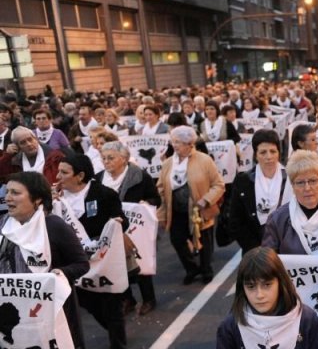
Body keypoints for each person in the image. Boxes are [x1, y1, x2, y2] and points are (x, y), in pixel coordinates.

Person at [1, 171, 90, 347]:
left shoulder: (54, 226)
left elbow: (82, 264)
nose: (8, 198)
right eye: (8, 192)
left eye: (16, 193)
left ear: (37, 199)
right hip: (10, 313)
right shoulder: (3, 224)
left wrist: (61, 273)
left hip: (49, 314)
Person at [55, 154, 129, 349]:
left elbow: (121, 220)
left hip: (103, 261)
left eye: (64, 172)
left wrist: (118, 222)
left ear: (80, 176)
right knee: (89, 303)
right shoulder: (57, 198)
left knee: (112, 307)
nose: (58, 176)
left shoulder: (104, 193)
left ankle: (118, 343)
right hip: (77, 264)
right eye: (58, 171)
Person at [96, 141, 161, 316]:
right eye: (103, 158)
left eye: (111, 158)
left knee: (140, 264)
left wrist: (146, 204)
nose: (106, 161)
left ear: (124, 159)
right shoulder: (99, 178)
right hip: (112, 230)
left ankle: (148, 299)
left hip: (136, 230)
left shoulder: (139, 176)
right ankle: (128, 300)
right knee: (117, 266)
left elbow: (156, 199)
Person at [216, 247, 318, 348]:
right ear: (242, 288)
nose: (259, 295)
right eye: (251, 286)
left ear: (280, 282)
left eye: (267, 285)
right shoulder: (230, 326)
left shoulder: (307, 320)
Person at [157, 126, 225, 285]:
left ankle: (206, 270)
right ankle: (191, 269)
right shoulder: (168, 163)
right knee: (177, 240)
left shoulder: (204, 160)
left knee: (204, 243)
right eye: (173, 141)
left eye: (178, 142)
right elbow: (160, 189)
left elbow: (219, 185)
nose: (174, 145)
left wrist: (206, 199)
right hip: (176, 211)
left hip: (199, 211)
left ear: (189, 144)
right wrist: (161, 214)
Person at [228, 130, 291, 253]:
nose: (269, 157)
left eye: (273, 151)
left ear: (279, 153)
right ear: (255, 155)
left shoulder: (291, 178)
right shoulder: (243, 181)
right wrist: (255, 249)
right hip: (255, 251)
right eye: (263, 152)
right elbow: (236, 221)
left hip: (287, 248)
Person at [0, 126, 65, 183]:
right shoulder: (15, 161)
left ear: (36, 139)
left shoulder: (55, 156)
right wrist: (7, 155)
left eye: (30, 139)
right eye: (23, 142)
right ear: (17, 147)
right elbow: (3, 177)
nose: (29, 144)